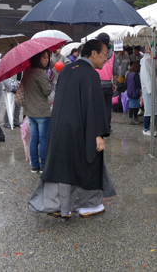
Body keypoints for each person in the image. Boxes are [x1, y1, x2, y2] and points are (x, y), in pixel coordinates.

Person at [28, 39, 115, 219]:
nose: (107, 59)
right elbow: (93, 107)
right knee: (88, 163)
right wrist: (98, 134)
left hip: (60, 127)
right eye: (105, 54)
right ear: (94, 54)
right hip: (82, 128)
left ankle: (59, 205)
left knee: (62, 165)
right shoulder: (91, 74)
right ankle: (87, 206)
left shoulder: (67, 68)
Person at [23, 50, 52, 173]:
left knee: (34, 139)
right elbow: (47, 92)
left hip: (31, 111)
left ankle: (35, 165)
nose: (47, 60)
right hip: (42, 112)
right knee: (43, 139)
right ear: (37, 58)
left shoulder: (27, 71)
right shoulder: (41, 72)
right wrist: (48, 83)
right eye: (44, 57)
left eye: (48, 57)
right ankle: (44, 165)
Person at [140, 46, 157, 136]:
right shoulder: (146, 61)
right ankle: (146, 128)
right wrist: (150, 88)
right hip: (148, 90)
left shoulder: (155, 61)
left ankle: (151, 127)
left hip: (155, 88)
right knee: (148, 109)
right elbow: (146, 76)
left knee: (153, 109)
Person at [95, 33, 114, 132]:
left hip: (97, 83)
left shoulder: (96, 52)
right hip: (108, 84)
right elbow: (114, 70)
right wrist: (114, 83)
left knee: (97, 107)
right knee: (107, 107)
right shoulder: (112, 54)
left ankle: (99, 127)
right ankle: (107, 127)